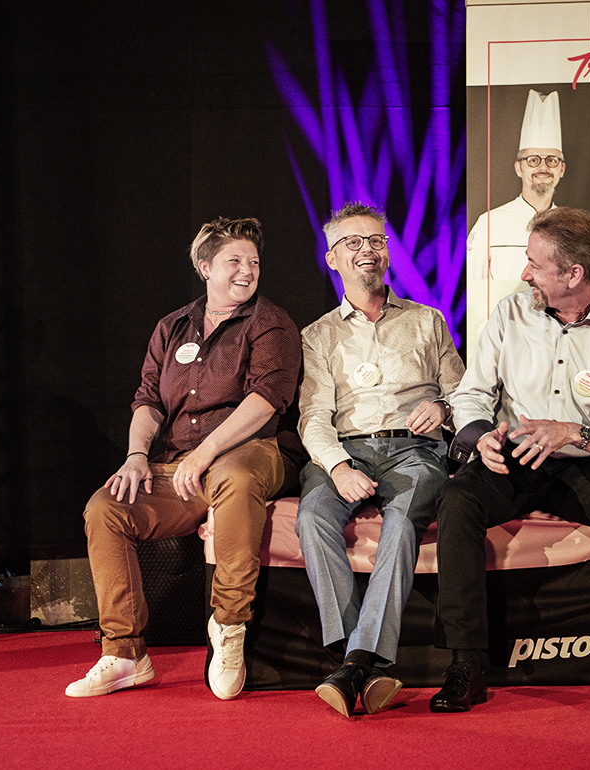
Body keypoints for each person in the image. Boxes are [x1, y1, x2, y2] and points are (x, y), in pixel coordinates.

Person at [430, 207, 590, 714]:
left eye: (535, 264)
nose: (524, 273)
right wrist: (479, 437)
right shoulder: (509, 314)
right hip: (514, 458)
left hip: (584, 467)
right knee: (457, 498)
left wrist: (575, 433)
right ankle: (466, 663)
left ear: (574, 274)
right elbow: (472, 394)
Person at [65, 217, 301, 701]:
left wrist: (207, 452)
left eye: (254, 262)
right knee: (106, 508)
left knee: (234, 475)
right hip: (182, 464)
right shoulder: (172, 326)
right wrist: (136, 455)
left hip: (254, 451)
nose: (247, 271)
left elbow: (266, 401)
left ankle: (229, 626)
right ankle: (126, 654)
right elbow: (148, 399)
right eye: (234, 261)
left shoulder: (270, 322)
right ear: (205, 267)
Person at [297, 202, 465, 717]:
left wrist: (443, 408)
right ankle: (363, 663)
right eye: (352, 242)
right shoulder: (317, 335)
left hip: (415, 450)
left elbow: (466, 396)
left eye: (375, 240)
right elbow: (312, 416)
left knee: (402, 523)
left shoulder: (427, 320)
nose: (367, 250)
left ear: (387, 252)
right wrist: (337, 466)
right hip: (346, 450)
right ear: (332, 258)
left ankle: (351, 665)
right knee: (312, 516)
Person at [466, 89, 565, 281]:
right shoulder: (489, 224)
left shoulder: (572, 227)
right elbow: (473, 286)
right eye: (533, 160)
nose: (543, 167)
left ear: (562, 169)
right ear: (519, 168)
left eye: (552, 160)